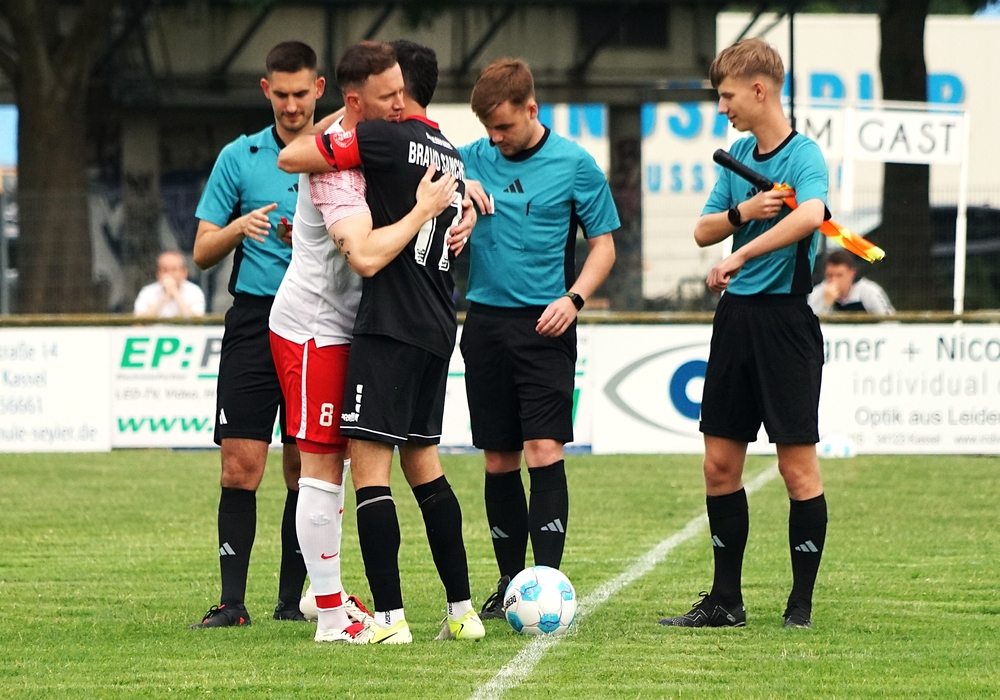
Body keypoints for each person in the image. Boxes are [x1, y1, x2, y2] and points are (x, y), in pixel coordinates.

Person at [278, 39, 482, 644]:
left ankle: (383, 620)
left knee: (363, 472)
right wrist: (464, 203)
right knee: (417, 464)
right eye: (383, 94)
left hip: (385, 324)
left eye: (398, 92)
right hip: (424, 322)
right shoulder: (447, 150)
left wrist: (425, 211)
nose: (394, 104)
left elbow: (296, 159)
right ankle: (460, 612)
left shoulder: (380, 140)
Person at [659, 38, 828, 630]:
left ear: (759, 90)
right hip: (735, 322)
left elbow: (811, 214)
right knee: (719, 466)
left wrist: (742, 253)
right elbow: (704, 230)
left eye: (728, 95)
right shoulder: (735, 155)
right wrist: (743, 215)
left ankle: (800, 606)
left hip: (786, 323)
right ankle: (725, 601)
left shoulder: (805, 155)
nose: (722, 106)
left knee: (796, 470)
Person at [456, 58, 619, 619]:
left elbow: (604, 246)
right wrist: (458, 184)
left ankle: (546, 584)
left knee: (543, 450)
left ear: (532, 108)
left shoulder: (575, 164)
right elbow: (420, 168)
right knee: (498, 458)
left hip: (545, 326)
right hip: (484, 325)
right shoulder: (468, 156)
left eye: (503, 126)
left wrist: (573, 299)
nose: (494, 138)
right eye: (487, 128)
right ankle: (508, 585)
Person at [188, 41, 321, 628]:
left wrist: (312, 239)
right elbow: (201, 251)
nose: (291, 106)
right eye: (281, 94)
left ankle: (291, 603)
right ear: (266, 90)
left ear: (319, 89)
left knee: (301, 468)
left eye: (301, 94)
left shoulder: (339, 155)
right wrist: (240, 227)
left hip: (315, 321)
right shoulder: (238, 158)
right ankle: (232, 604)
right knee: (240, 467)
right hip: (253, 321)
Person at [808, 247, 895, 315]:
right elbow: (810, 326)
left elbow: (890, 323)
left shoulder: (870, 292)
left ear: (851, 274)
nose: (834, 280)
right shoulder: (817, 293)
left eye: (839, 275)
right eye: (830, 275)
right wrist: (825, 304)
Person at [133, 250, 206, 318]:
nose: (169, 274)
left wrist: (175, 294)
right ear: (158, 273)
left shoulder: (194, 291)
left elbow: (196, 322)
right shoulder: (147, 292)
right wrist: (165, 297)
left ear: (184, 273)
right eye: (164, 270)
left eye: (174, 269)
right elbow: (138, 322)